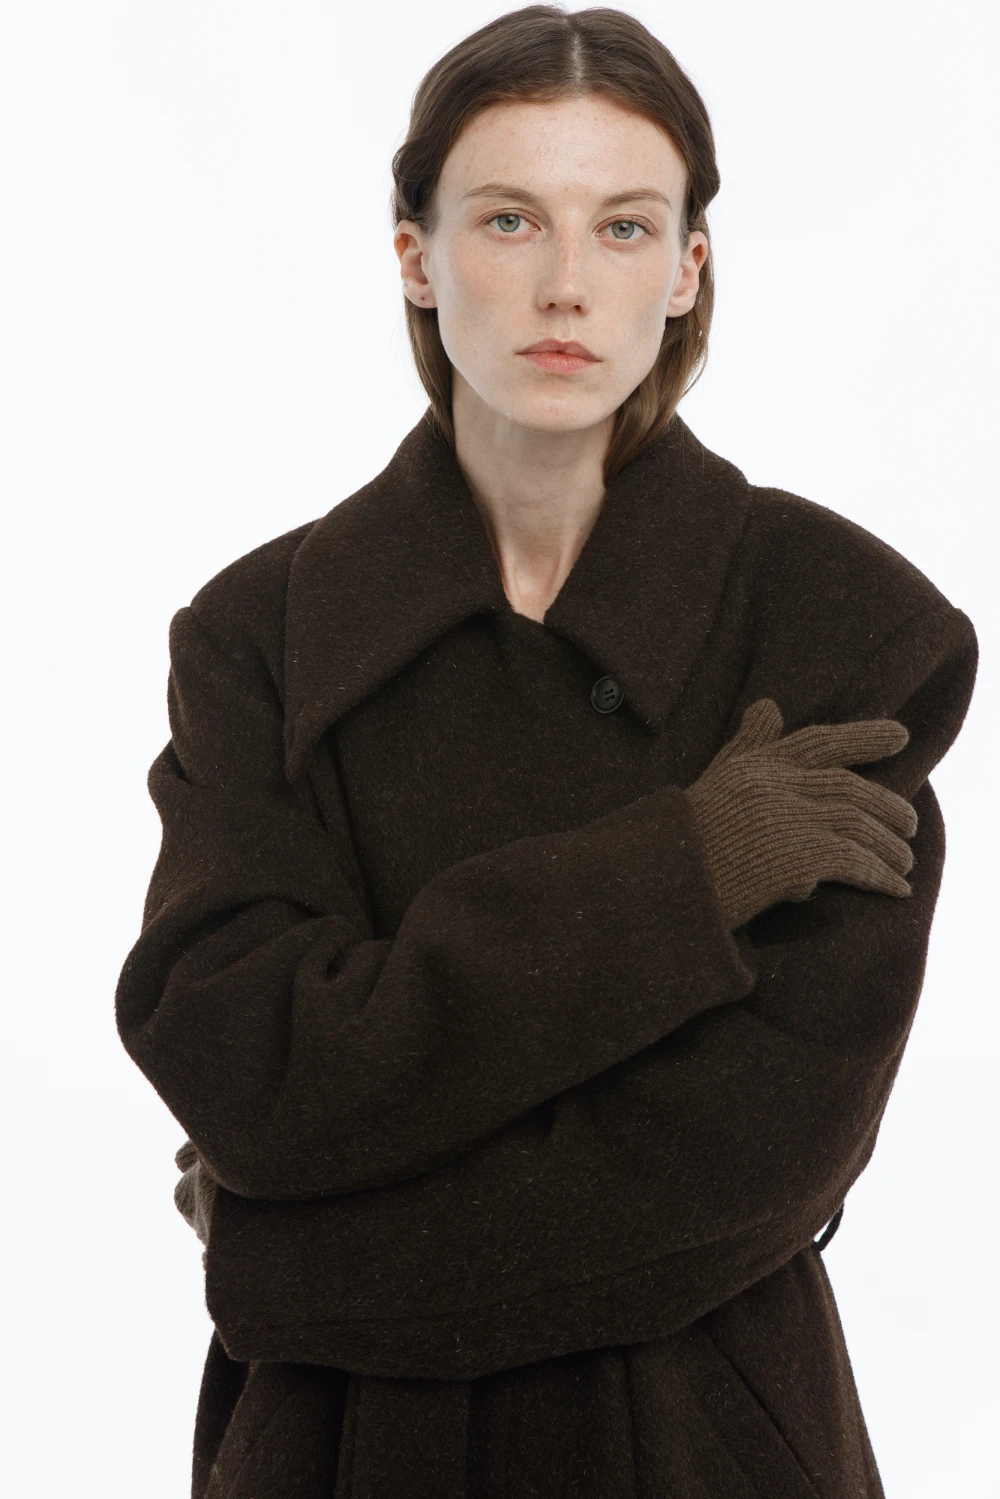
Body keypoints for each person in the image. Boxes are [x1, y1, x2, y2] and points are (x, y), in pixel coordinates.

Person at [116, 7, 979, 1497]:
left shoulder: (844, 627)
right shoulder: (262, 632)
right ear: (416, 254)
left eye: (624, 226)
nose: (566, 282)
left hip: (701, 1443)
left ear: (688, 267)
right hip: (334, 1452)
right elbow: (245, 1065)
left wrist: (282, 1250)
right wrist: (686, 871)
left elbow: (747, 1163)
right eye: (510, 218)